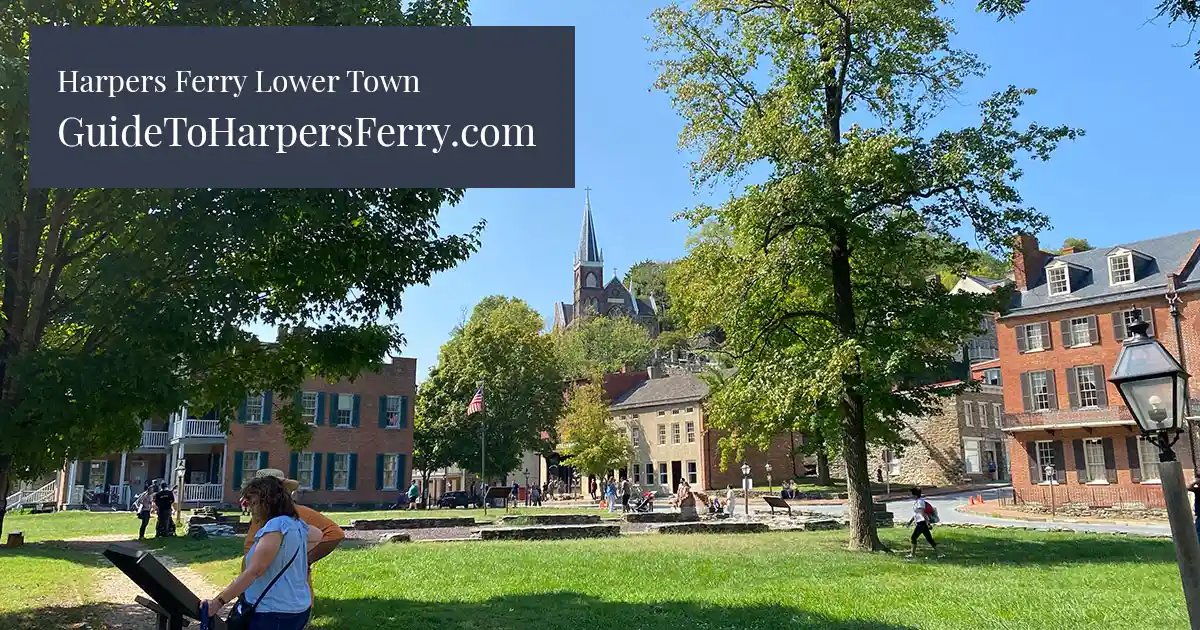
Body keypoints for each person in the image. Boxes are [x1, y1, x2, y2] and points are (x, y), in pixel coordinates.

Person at [207, 476, 320, 629]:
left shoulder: (276, 525)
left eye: (254, 503)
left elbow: (254, 571)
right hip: (298, 607)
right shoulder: (296, 524)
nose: (251, 508)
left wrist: (218, 602)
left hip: (272, 612)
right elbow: (317, 535)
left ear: (268, 503)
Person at [242, 469, 345, 615]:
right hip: (260, 596)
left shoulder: (295, 514)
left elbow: (335, 533)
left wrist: (306, 560)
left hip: (281, 601)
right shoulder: (261, 514)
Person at [904, 487, 943, 559]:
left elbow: (922, 513)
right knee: (929, 539)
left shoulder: (920, 502)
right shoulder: (918, 501)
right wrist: (910, 522)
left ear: (915, 495)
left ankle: (912, 554)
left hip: (922, 522)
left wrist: (927, 522)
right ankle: (940, 554)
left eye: (912, 494)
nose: (911, 496)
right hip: (921, 522)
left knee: (913, 538)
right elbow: (916, 514)